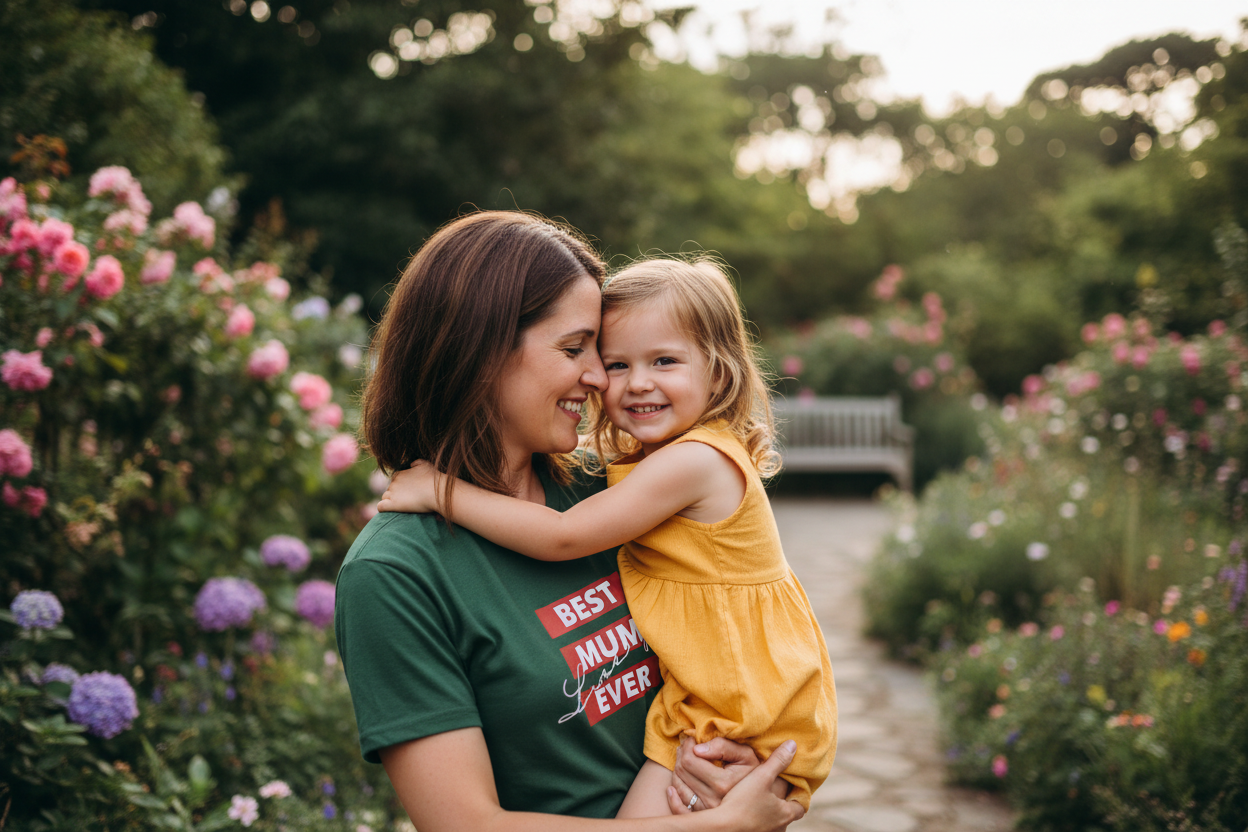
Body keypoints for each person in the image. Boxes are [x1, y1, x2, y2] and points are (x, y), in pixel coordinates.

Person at [336, 211, 805, 832]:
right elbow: (465, 825)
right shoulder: (396, 572)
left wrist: (728, 758)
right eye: (576, 349)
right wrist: (722, 824)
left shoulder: (604, 493)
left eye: (599, 352)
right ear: (480, 352)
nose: (599, 379)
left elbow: (725, 640)